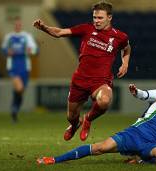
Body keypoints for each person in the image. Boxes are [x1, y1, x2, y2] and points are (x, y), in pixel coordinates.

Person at [36, 74, 156, 165]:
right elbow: (144, 94)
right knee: (100, 148)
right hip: (134, 133)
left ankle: (141, 158)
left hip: (151, 144)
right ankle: (54, 159)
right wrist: (136, 92)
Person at [33, 1, 131, 141]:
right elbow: (60, 32)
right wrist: (44, 27)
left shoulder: (120, 36)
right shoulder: (86, 29)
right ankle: (75, 125)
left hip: (101, 81)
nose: (96, 21)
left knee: (104, 101)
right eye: (94, 17)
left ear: (109, 17)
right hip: (80, 80)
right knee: (71, 117)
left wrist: (125, 63)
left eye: (100, 18)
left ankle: (88, 119)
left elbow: (127, 48)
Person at [1, 17, 38, 122]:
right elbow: (3, 49)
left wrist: (31, 50)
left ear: (21, 25)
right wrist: (7, 51)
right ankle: (14, 108)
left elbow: (35, 50)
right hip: (13, 66)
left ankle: (15, 110)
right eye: (16, 24)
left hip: (25, 67)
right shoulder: (9, 37)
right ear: (14, 25)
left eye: (19, 24)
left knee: (21, 91)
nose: (17, 26)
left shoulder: (27, 36)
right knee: (19, 88)